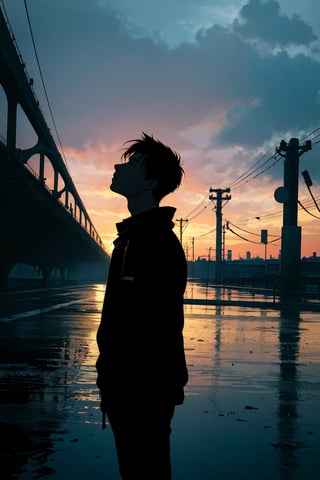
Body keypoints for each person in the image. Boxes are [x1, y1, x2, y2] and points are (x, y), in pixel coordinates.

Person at [96, 132, 188, 479]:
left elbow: (151, 328)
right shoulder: (134, 239)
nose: (120, 166)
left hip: (141, 392)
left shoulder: (153, 243)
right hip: (135, 388)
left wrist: (117, 383)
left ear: (150, 182)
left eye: (133, 163)